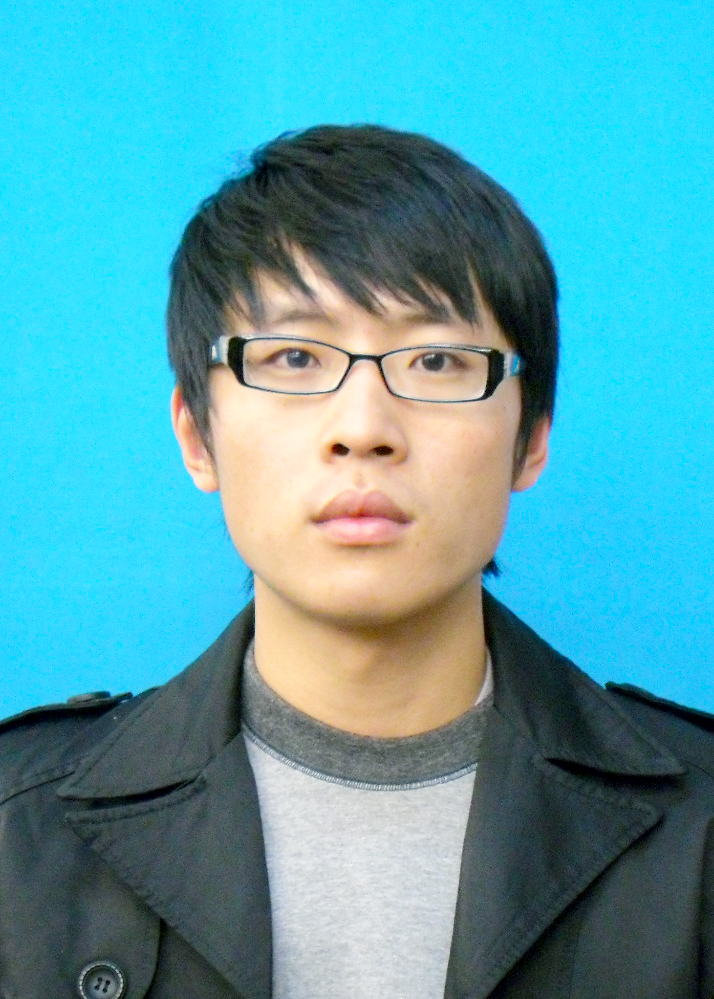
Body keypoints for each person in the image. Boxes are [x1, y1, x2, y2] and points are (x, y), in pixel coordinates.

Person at [1, 124, 713, 999]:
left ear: (531, 437)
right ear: (196, 435)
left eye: (438, 359)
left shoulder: (699, 830)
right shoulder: (18, 831)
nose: (363, 427)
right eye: (295, 357)